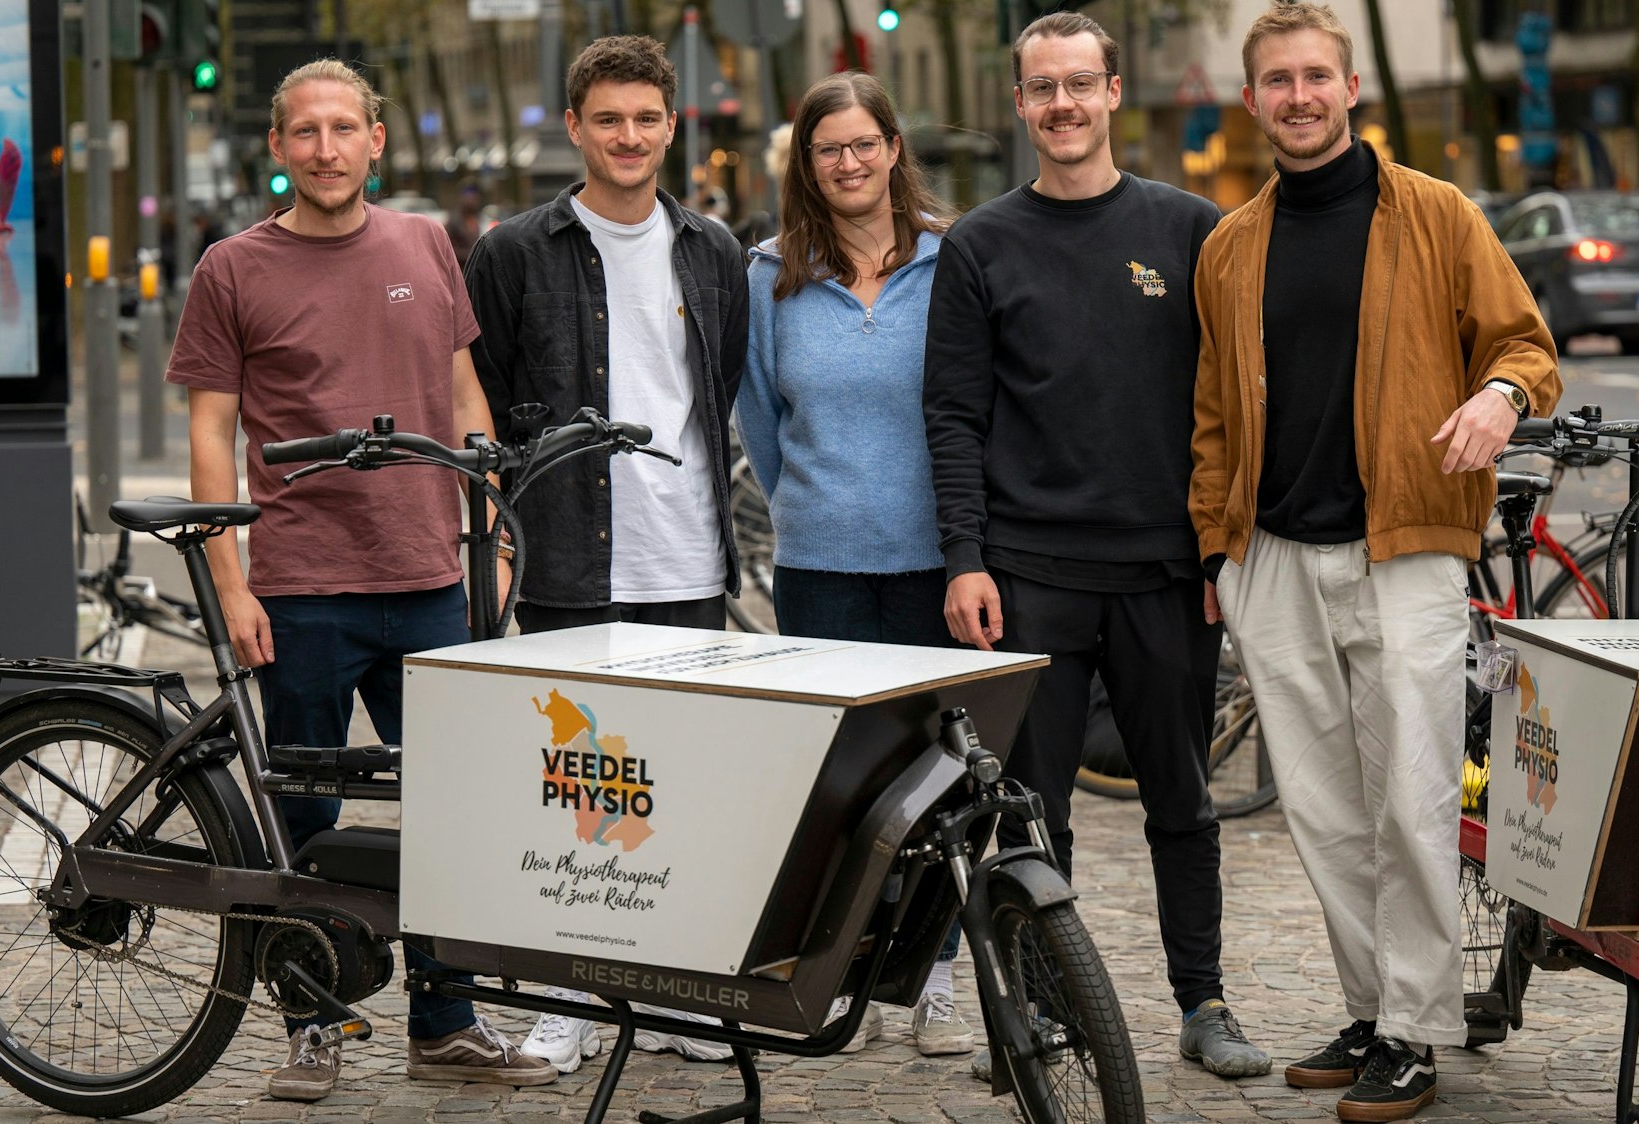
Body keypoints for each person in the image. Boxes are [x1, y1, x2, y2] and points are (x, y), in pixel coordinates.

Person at [1188, 5, 1560, 1120]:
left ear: (1351, 89)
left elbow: (1525, 344)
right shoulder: (1229, 245)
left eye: (1317, 76)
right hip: (1272, 559)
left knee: (1413, 800)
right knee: (1323, 810)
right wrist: (1217, 550)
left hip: (1404, 548)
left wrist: (1500, 398)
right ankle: (1373, 1011)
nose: (1299, 97)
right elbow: (1212, 417)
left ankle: (1416, 1032)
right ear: (1252, 101)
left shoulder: (1436, 214)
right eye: (1278, 81)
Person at [165, 59, 555, 1103]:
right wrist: (230, 582)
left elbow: (462, 393)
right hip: (302, 588)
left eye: (344, 128)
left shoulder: (426, 242)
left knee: (458, 806)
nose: (326, 147)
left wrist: (491, 525)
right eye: (306, 131)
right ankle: (313, 1022)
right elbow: (209, 432)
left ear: (376, 140)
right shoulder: (231, 269)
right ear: (278, 147)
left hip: (430, 579)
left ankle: (447, 1023)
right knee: (304, 818)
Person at [924, 10, 1271, 1083]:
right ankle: (1035, 1012)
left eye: (1080, 83)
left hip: (1166, 575)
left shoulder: (1190, 229)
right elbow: (954, 415)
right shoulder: (980, 245)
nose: (1063, 104)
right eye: (1043, 87)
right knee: (1032, 815)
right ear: (1020, 104)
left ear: (1114, 92)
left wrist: (1219, 551)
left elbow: (1233, 401)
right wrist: (966, 558)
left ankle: (1204, 1001)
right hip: (1029, 576)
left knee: (1184, 803)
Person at [463, 33, 749, 1071]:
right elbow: (487, 404)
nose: (629, 137)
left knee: (676, 785)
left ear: (672, 127)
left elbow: (718, 389)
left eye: (647, 119)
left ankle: (667, 997)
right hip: (568, 563)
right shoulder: (511, 252)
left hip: (688, 558)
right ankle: (571, 994)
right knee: (581, 788)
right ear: (575, 128)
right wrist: (500, 539)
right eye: (609, 119)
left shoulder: (714, 251)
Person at [738, 70, 972, 1058]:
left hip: (937, 563)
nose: (847, 162)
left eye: (863, 143)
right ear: (806, 161)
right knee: (843, 785)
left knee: (941, 778)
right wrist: (816, 501)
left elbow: (974, 403)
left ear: (892, 147)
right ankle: (856, 968)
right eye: (827, 148)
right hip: (822, 566)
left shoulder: (953, 258)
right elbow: (760, 417)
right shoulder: (769, 274)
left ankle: (939, 973)